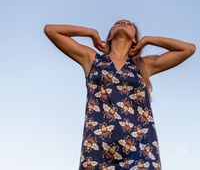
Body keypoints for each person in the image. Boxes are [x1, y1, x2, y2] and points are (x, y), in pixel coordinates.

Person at [44, 20, 196, 170]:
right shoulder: (92, 60)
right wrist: (90, 33)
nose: (124, 22)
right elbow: (50, 30)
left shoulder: (143, 65)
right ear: (109, 37)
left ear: (134, 39)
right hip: (97, 148)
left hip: (141, 149)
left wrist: (149, 40)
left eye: (129, 24)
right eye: (118, 23)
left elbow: (189, 49)